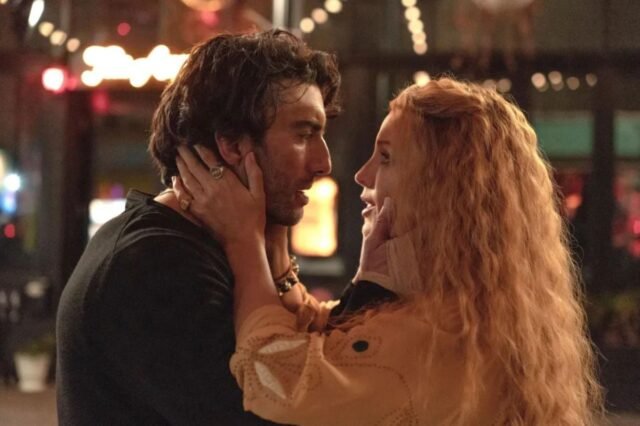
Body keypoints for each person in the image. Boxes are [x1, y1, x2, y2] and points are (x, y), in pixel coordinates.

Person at [174, 77, 603, 425]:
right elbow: (331, 342)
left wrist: (243, 239)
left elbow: (275, 376)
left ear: (440, 185)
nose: (362, 175)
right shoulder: (471, 308)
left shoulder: (438, 335)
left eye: (386, 158)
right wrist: (277, 245)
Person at [56, 29, 340, 425]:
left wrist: (269, 244)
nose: (323, 163)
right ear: (233, 145)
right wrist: (251, 241)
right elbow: (279, 410)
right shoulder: (156, 265)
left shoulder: (196, 246)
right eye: (304, 135)